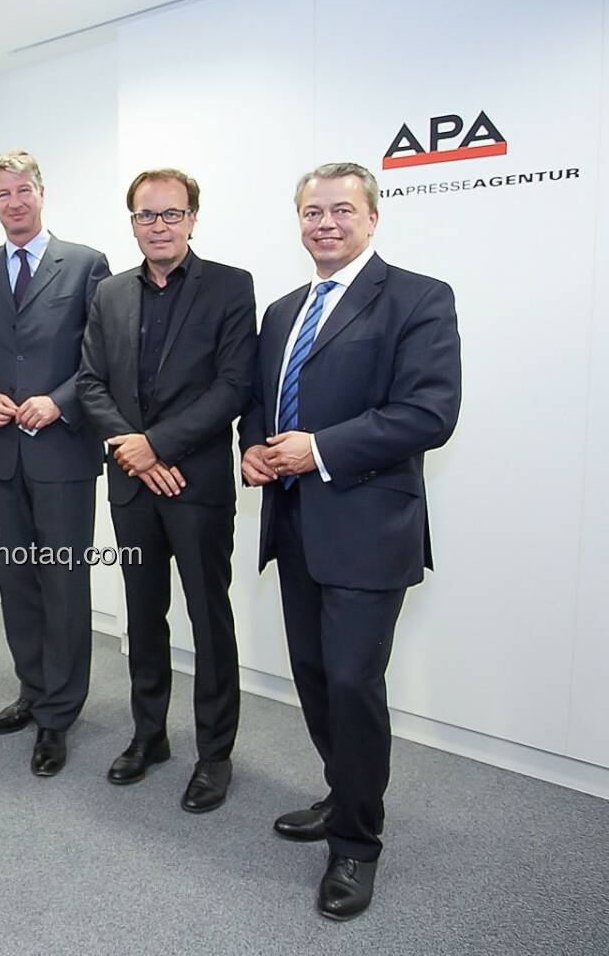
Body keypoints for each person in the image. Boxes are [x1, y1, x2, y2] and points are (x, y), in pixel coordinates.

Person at [239, 162, 461, 920]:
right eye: (311, 212)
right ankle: (344, 795)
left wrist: (319, 449)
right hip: (295, 525)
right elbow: (260, 404)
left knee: (354, 685)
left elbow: (429, 414)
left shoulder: (418, 297)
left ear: (372, 218)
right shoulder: (283, 310)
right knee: (313, 676)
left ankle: (357, 844)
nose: (324, 223)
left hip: (369, 529)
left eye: (340, 210)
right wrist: (254, 449)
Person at [77, 169, 256, 811]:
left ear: (192, 218)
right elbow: (90, 382)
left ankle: (215, 755)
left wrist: (160, 445)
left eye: (171, 214)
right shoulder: (110, 294)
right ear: (131, 223)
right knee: (143, 616)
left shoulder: (231, 287)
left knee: (209, 621)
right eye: (146, 216)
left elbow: (235, 386)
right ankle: (149, 735)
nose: (158, 226)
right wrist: (134, 448)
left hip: (196, 484)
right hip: (132, 485)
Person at [0, 150, 111, 776]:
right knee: (16, 581)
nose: (14, 202)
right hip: (1, 454)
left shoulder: (86, 264)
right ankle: (32, 689)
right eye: (2, 194)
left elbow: (102, 356)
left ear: (42, 194)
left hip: (63, 453)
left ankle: (59, 715)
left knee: (63, 584)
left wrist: (61, 401)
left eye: (24, 190)